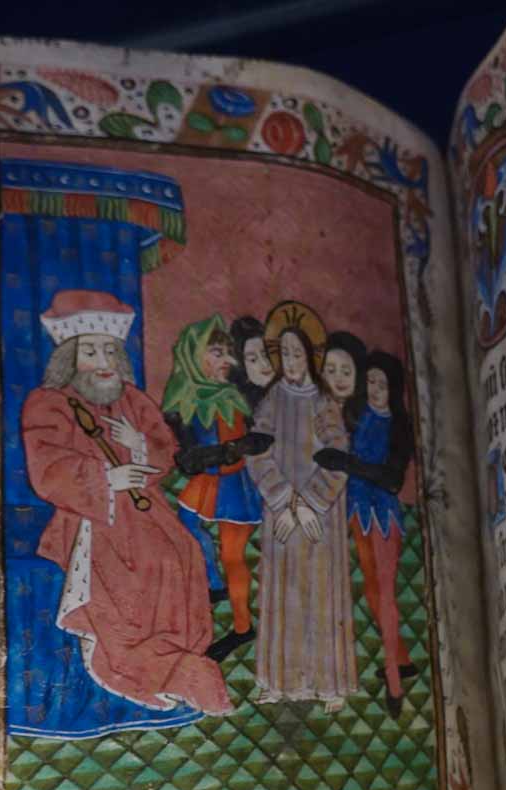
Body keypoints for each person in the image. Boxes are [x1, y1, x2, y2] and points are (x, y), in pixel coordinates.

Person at [19, 289, 231, 715]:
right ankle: (145, 665)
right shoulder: (48, 403)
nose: (102, 361)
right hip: (89, 516)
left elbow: (164, 452)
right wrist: (107, 479)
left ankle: (174, 654)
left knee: (182, 553)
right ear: (69, 357)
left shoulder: (132, 399)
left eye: (109, 351)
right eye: (90, 351)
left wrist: (139, 447)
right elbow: (47, 469)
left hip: (146, 509)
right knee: (130, 568)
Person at [246, 303, 359, 703]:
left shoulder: (323, 402)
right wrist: (285, 499)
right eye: (285, 354)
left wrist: (310, 502)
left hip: (319, 516)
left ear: (311, 355)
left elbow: (338, 454)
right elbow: (257, 450)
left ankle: (328, 685)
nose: (291, 361)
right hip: (281, 510)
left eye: (298, 353)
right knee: (283, 595)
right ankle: (282, 683)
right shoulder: (273, 398)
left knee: (321, 594)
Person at [160, 314, 272, 662]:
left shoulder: (237, 396)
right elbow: (188, 456)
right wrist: (228, 450)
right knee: (185, 522)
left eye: (228, 353)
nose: (228, 361)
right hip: (208, 479)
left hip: (234, 485)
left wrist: (241, 447)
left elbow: (260, 437)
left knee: (233, 556)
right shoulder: (181, 400)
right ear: (195, 357)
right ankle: (214, 583)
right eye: (217, 353)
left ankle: (242, 627)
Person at [317, 350, 417, 714]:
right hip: (357, 513)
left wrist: (348, 463)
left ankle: (394, 682)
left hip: (382, 517)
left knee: (386, 595)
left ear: (394, 388)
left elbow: (392, 480)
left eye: (382, 384)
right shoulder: (359, 416)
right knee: (373, 592)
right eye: (371, 381)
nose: (375, 389)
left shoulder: (398, 426)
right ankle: (402, 662)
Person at [228, 315, 275, 413]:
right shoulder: (239, 408)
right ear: (242, 367)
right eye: (253, 360)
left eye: (266, 354)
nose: (264, 363)